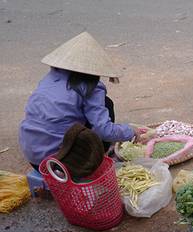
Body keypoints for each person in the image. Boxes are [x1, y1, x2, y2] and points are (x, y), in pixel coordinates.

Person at [19, 32, 151, 172]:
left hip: (33, 157)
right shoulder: (91, 87)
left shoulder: (49, 79)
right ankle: (99, 156)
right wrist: (130, 131)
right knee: (107, 104)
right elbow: (103, 130)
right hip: (61, 162)